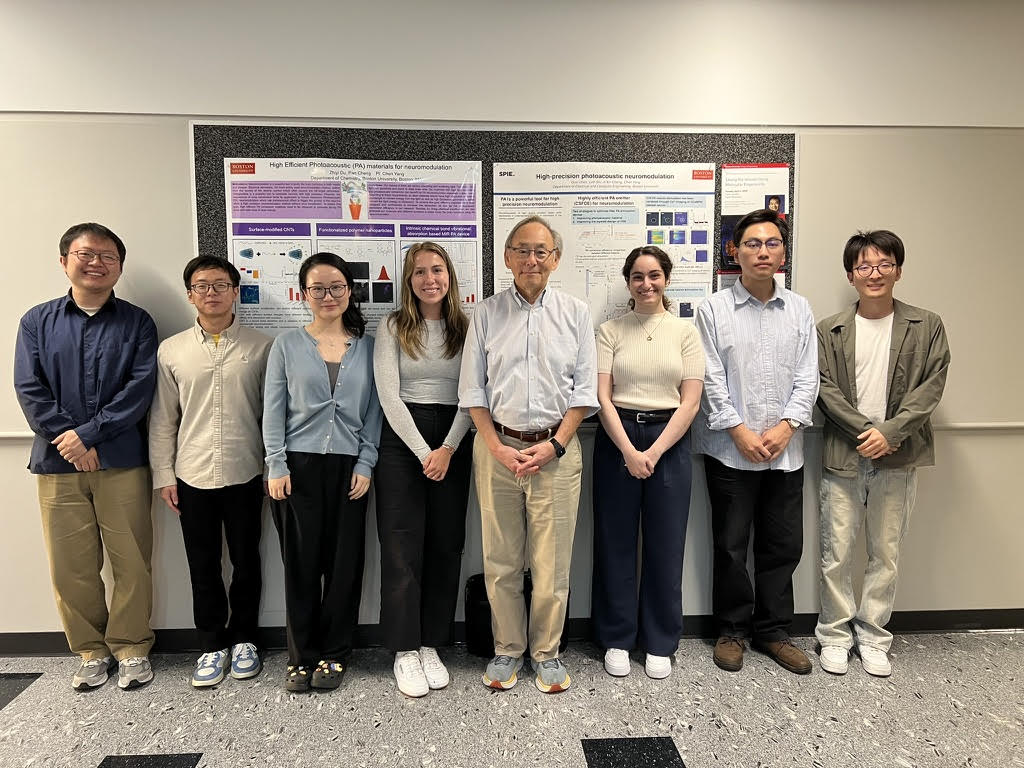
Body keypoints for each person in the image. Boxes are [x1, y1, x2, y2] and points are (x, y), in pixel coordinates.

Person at [14, 222, 158, 691]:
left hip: (121, 460)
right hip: (57, 463)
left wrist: (90, 435)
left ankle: (132, 647)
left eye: (107, 256)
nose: (96, 263)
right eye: (86, 254)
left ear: (119, 266)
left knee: (131, 560)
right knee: (70, 565)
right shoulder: (36, 321)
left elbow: (139, 390)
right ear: (64, 262)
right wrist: (71, 440)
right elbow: (29, 387)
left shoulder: (138, 322)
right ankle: (91, 651)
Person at [459, 215, 599, 694]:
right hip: (495, 448)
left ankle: (547, 652)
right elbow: (472, 390)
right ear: (507, 257)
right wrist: (496, 446)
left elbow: (584, 392)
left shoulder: (576, 313)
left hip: (557, 450)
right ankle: (507, 649)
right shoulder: (486, 314)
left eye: (541, 251)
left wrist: (555, 444)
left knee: (551, 563)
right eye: (522, 250)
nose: (531, 259)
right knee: (500, 558)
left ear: (555, 259)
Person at [815, 230, 950, 678]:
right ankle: (834, 636)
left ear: (898, 270)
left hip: (898, 453)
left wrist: (890, 432)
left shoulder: (926, 325)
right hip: (845, 452)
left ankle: (873, 636)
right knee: (836, 552)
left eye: (884, 264)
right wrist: (867, 431)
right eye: (864, 266)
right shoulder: (830, 329)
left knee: (886, 552)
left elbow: (931, 387)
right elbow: (824, 389)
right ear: (850, 275)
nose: (874, 273)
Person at [695, 208, 818, 675]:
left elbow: (808, 376)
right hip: (731, 451)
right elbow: (710, 378)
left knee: (782, 546)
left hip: (787, 453)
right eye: (752, 243)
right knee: (730, 546)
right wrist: (739, 430)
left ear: (783, 251)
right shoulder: (713, 309)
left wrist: (787, 426)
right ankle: (731, 630)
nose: (762, 251)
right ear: (735, 251)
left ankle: (774, 632)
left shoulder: (800, 309)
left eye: (771, 243)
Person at [149, 255, 272, 687]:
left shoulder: (262, 346)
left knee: (246, 561)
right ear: (190, 295)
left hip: (247, 471)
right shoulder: (172, 350)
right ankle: (211, 644)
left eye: (220, 285)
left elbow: (271, 415)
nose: (212, 293)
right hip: (192, 474)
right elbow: (163, 419)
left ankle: (245, 640)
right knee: (202, 564)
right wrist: (164, 475)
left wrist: (272, 467)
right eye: (202, 286)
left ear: (236, 292)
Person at [263, 252, 382, 692]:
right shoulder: (286, 345)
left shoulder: (369, 347)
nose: (328, 296)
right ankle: (301, 656)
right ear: (304, 294)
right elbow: (272, 409)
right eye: (318, 288)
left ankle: (335, 653)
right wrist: (276, 463)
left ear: (350, 291)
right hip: (297, 467)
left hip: (350, 468)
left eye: (336, 287)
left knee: (344, 564)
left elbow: (375, 413)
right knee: (300, 565)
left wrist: (366, 463)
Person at [592, 246, 704, 680]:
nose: (646, 284)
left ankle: (660, 642)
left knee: (666, 544)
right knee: (614, 542)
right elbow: (602, 397)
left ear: (666, 279)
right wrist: (628, 451)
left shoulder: (685, 332)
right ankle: (617, 638)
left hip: (669, 440)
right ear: (628, 283)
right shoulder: (610, 331)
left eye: (654, 275)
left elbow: (690, 402)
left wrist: (653, 453)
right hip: (617, 437)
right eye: (637, 276)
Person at [373, 242, 473, 698]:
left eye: (437, 270)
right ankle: (404, 648)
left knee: (445, 543)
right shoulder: (392, 325)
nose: (429, 279)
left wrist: (447, 448)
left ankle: (431, 642)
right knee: (401, 545)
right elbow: (388, 395)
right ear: (408, 280)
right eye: (419, 272)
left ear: (449, 276)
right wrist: (422, 451)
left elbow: (474, 393)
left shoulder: (468, 327)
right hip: (402, 439)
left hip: (455, 436)